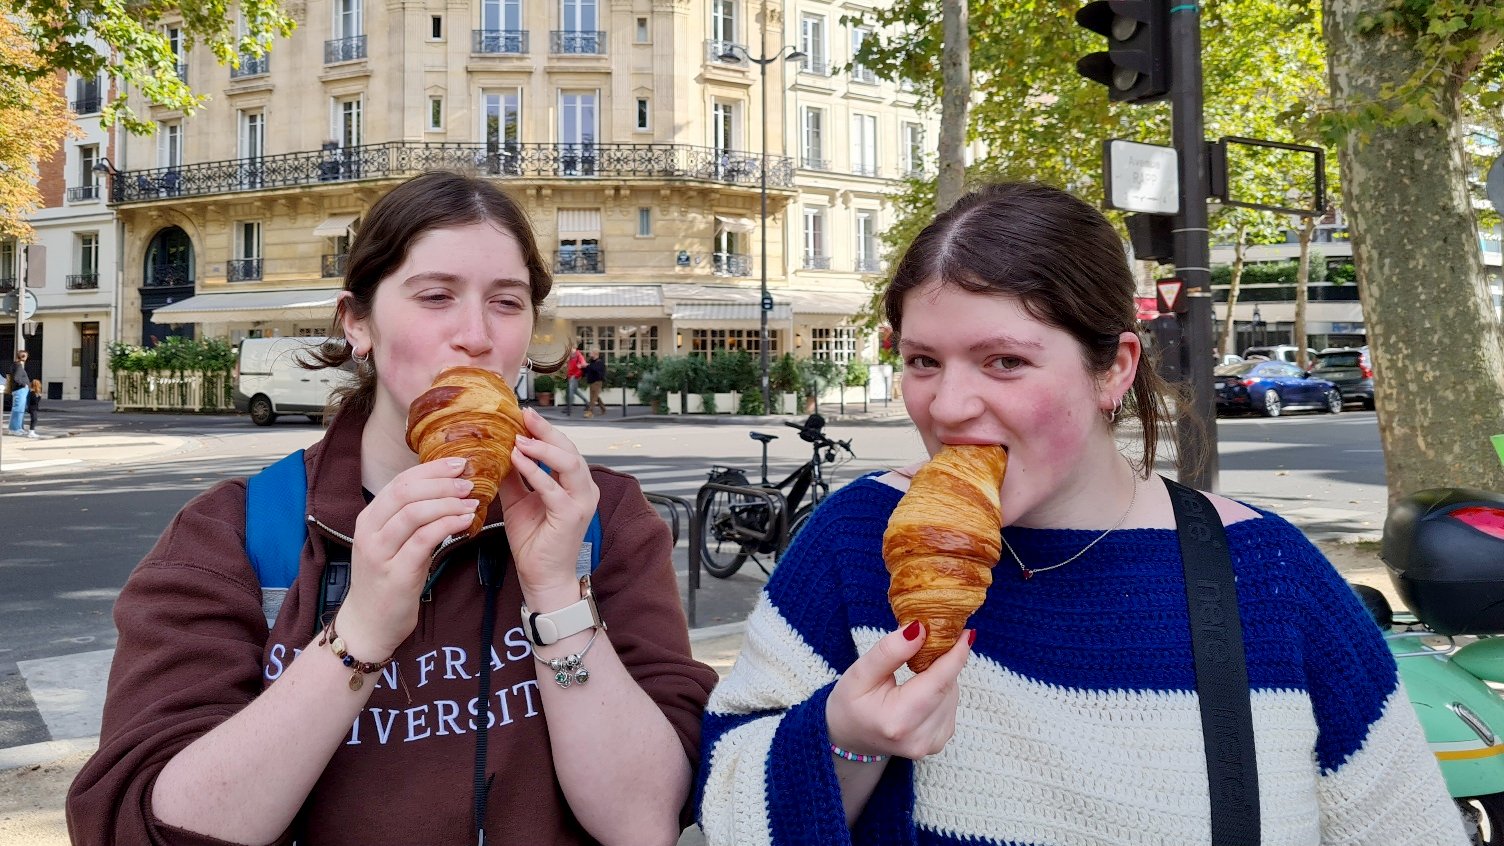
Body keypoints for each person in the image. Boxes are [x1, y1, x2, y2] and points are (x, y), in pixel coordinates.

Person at [695, 182, 1466, 845]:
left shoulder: (1265, 573)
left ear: (1115, 370)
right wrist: (844, 741)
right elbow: (725, 801)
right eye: (923, 361)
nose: (949, 406)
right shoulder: (856, 543)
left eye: (1005, 361)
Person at [67, 171, 719, 846]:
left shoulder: (600, 518)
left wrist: (557, 596)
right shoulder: (234, 536)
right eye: (436, 297)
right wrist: (362, 633)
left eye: (507, 302)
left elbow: (646, 820)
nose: (476, 335)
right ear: (358, 323)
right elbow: (140, 825)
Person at [6, 350, 31, 437]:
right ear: (23, 357)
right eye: (26, 356)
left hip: (20, 390)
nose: (27, 358)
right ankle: (14, 429)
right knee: (18, 410)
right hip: (20, 390)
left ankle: (19, 428)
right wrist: (24, 385)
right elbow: (16, 378)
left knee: (20, 410)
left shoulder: (16, 365)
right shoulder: (18, 366)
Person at [564, 342, 589, 415]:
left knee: (570, 392)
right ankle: (587, 402)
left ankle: (569, 409)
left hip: (574, 377)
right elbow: (569, 365)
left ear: (574, 348)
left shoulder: (578, 355)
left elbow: (584, 364)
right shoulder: (571, 356)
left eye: (570, 348)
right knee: (575, 391)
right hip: (570, 376)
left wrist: (580, 366)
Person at [583, 349, 607, 418]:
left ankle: (590, 412)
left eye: (591, 353)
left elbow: (595, 369)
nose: (590, 354)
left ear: (595, 354)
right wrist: (583, 367)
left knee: (593, 398)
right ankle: (603, 409)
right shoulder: (591, 361)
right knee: (595, 397)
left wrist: (588, 365)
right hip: (591, 382)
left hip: (597, 382)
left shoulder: (600, 362)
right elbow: (588, 370)